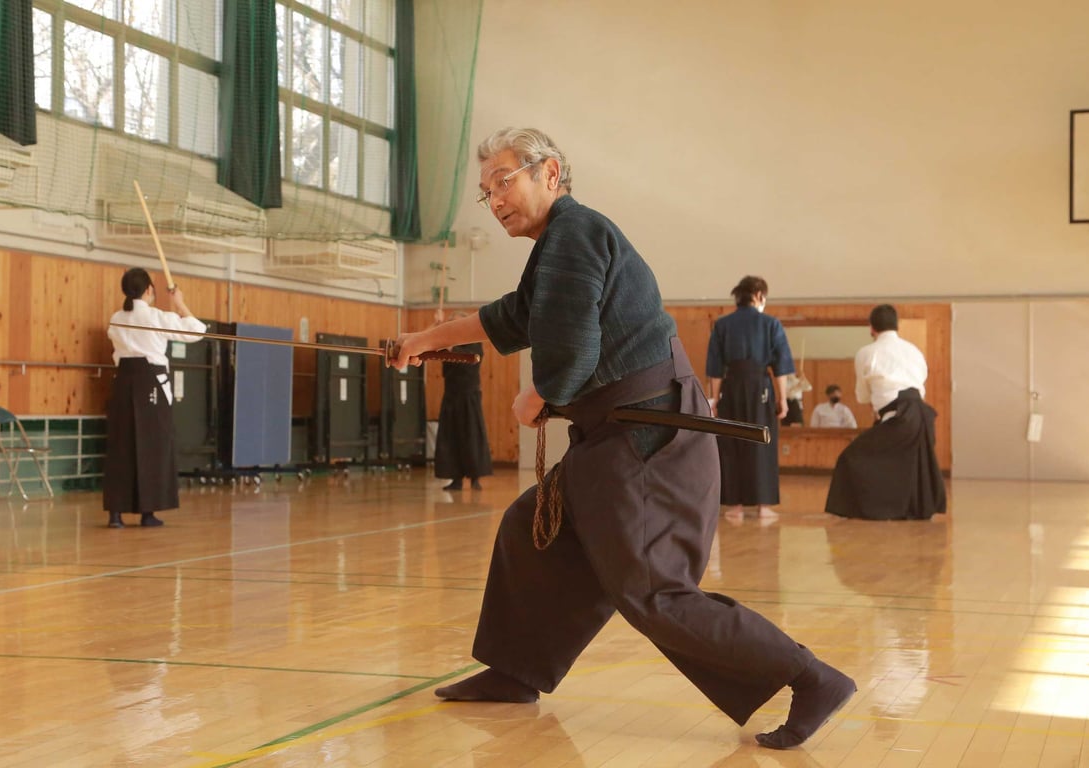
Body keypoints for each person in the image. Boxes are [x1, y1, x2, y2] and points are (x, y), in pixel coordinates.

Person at [390, 127, 855, 750]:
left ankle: (811, 678)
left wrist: (539, 396)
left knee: (652, 591)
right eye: (485, 192)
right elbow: (512, 316)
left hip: (649, 439)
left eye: (504, 181)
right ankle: (516, 671)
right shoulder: (560, 243)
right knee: (533, 530)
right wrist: (426, 340)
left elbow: (573, 349)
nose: (494, 200)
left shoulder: (575, 233)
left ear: (550, 174)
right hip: (620, 432)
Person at [103, 268, 206, 528]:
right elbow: (197, 330)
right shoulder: (157, 316)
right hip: (151, 384)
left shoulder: (117, 318)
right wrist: (179, 303)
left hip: (124, 384)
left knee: (121, 447)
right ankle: (147, 511)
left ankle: (116, 513)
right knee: (153, 448)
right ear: (149, 290)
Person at [825, 304, 946, 520]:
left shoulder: (867, 352)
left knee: (851, 457)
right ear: (897, 325)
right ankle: (909, 508)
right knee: (905, 460)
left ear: (871, 328)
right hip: (921, 415)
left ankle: (872, 508)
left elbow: (863, 396)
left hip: (899, 416)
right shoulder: (914, 351)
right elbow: (920, 382)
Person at [705, 276, 794, 521]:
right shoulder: (771, 324)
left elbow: (715, 368)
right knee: (762, 443)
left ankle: (735, 506)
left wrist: (715, 399)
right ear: (758, 295)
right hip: (760, 388)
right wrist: (783, 399)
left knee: (731, 443)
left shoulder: (722, 325)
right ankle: (764, 506)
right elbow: (781, 366)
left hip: (731, 387)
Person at [434, 312, 493, 490]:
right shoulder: (445, 344)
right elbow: (431, 347)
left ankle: (475, 477)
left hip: (469, 395)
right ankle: (455, 478)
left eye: (455, 324)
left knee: (471, 436)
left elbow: (468, 359)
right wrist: (436, 326)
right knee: (450, 437)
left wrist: (448, 343)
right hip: (451, 394)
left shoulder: (474, 343)